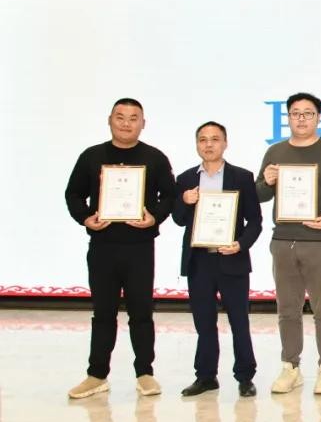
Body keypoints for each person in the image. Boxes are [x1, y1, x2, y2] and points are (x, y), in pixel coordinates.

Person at [64, 98, 176, 399]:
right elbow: (73, 194)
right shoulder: (92, 156)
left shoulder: (154, 158)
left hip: (139, 248)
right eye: (120, 117)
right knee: (103, 313)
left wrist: (154, 217)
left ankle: (145, 373)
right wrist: (85, 217)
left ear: (143, 123)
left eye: (133, 118)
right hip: (103, 246)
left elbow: (170, 196)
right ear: (110, 120)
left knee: (141, 312)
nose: (126, 123)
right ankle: (96, 374)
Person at [256, 92, 321, 395]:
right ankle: (291, 366)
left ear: (318, 117)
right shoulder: (275, 152)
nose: (301, 118)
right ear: (287, 117)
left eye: (308, 113)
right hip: (283, 241)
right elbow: (259, 195)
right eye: (295, 113)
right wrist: (266, 181)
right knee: (287, 308)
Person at [172, 121, 263, 397]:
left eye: (214, 139)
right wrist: (184, 201)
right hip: (199, 260)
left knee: (239, 321)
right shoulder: (186, 179)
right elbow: (178, 219)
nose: (208, 144)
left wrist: (240, 244)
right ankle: (206, 376)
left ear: (225, 143)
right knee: (204, 321)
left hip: (231, 257)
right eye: (202, 139)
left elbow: (255, 221)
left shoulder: (242, 177)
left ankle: (245, 377)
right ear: (196, 144)